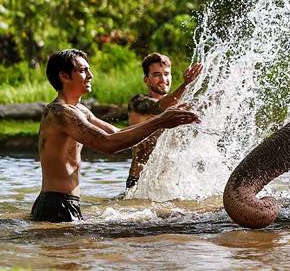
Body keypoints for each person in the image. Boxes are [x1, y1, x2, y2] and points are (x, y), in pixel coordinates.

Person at [33, 49, 200, 222]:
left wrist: (162, 121)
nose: (90, 75)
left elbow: (117, 133)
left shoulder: (80, 110)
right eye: (83, 71)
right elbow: (108, 144)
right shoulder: (60, 112)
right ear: (64, 76)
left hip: (65, 202)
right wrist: (160, 121)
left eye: (89, 70)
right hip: (56, 204)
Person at [126, 53, 202, 189]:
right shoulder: (138, 102)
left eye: (166, 74)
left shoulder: (179, 107)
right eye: (156, 75)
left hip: (169, 184)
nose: (163, 79)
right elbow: (159, 106)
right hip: (140, 182)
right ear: (146, 80)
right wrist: (185, 84)